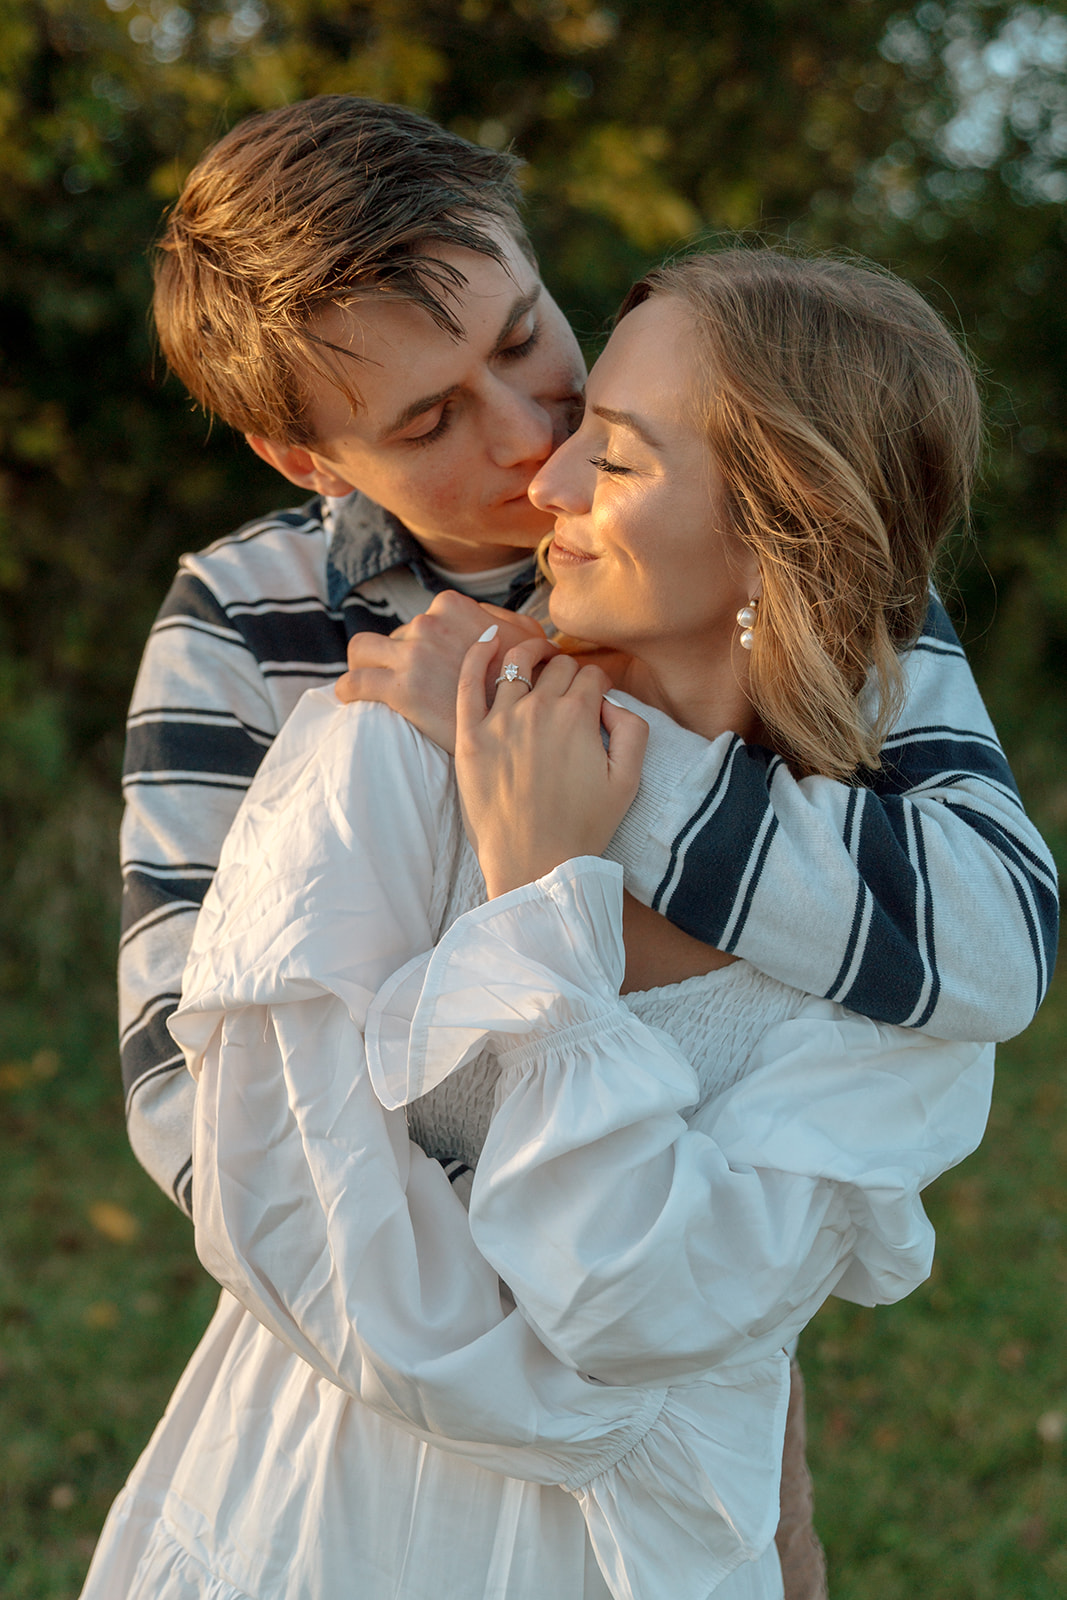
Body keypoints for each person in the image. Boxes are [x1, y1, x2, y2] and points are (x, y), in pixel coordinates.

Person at [116, 95, 1055, 1596]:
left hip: (708, 1341)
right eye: (427, 420)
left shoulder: (768, 512)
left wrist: (586, 784)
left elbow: (989, 939)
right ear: (308, 455)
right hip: (388, 1390)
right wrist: (561, 1320)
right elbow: (198, 1096)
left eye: (522, 337)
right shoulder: (253, 626)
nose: (529, 437)